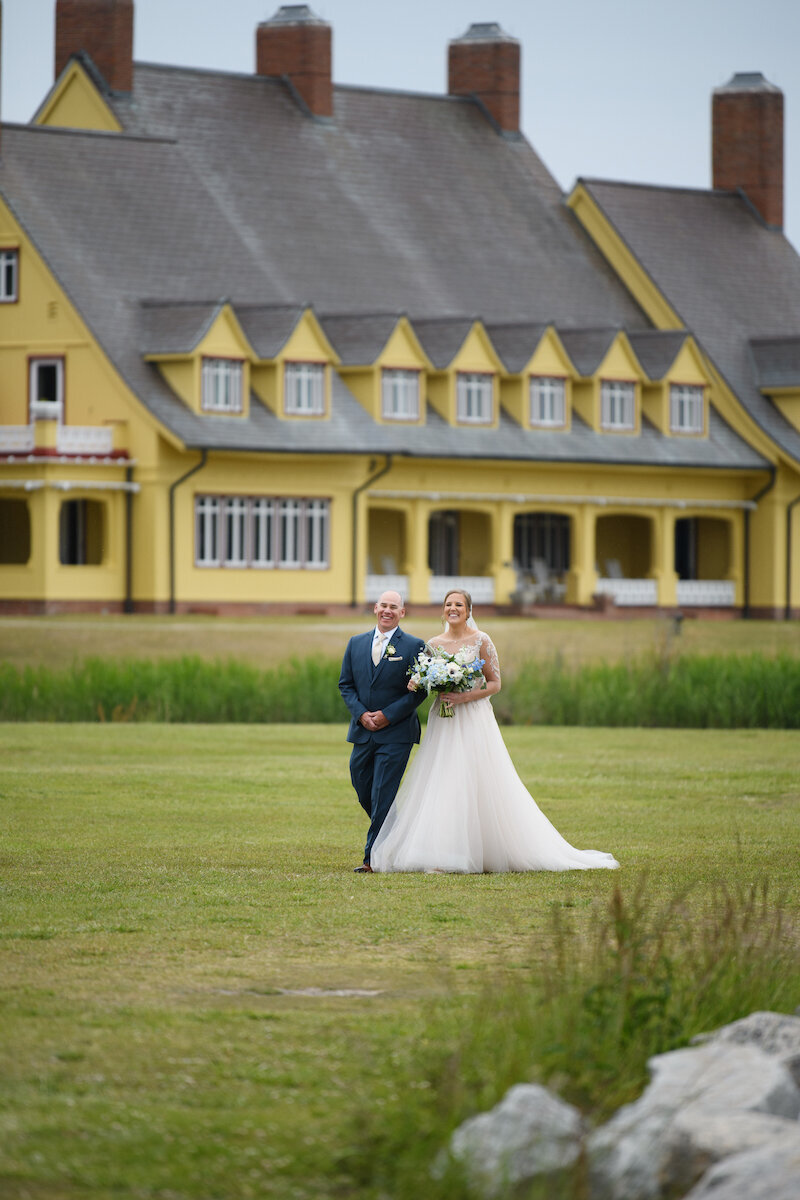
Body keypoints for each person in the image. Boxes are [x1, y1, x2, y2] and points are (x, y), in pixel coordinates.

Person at [370, 589, 620, 874]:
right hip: (444, 719)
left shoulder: (481, 640)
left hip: (473, 718)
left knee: (476, 777)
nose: (453, 609)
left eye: (459, 605)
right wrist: (421, 681)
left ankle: (483, 849)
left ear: (468, 610)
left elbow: (494, 683)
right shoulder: (433, 644)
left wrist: (464, 696)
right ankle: (440, 852)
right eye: (449, 604)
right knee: (444, 776)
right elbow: (421, 677)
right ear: (443, 610)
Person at [339, 590, 427, 873]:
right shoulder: (356, 643)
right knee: (362, 785)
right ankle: (397, 834)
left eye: (394, 607)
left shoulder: (415, 645)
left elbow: (419, 691)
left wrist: (387, 716)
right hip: (363, 730)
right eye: (383, 606)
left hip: (397, 733)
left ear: (402, 612)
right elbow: (346, 685)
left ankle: (372, 858)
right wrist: (361, 714)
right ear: (375, 608)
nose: (387, 611)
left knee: (383, 793)